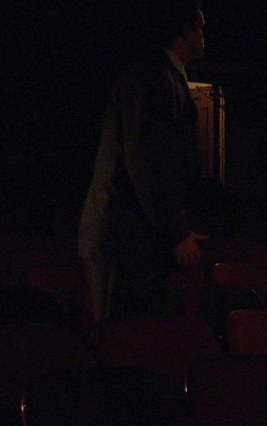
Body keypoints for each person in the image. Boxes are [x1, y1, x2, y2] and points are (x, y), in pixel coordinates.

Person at [77, 0, 208, 323]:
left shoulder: (159, 75)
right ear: (186, 30)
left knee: (136, 336)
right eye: (201, 29)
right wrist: (176, 231)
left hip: (133, 238)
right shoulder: (154, 77)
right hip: (124, 241)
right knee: (123, 338)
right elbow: (148, 164)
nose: (204, 37)